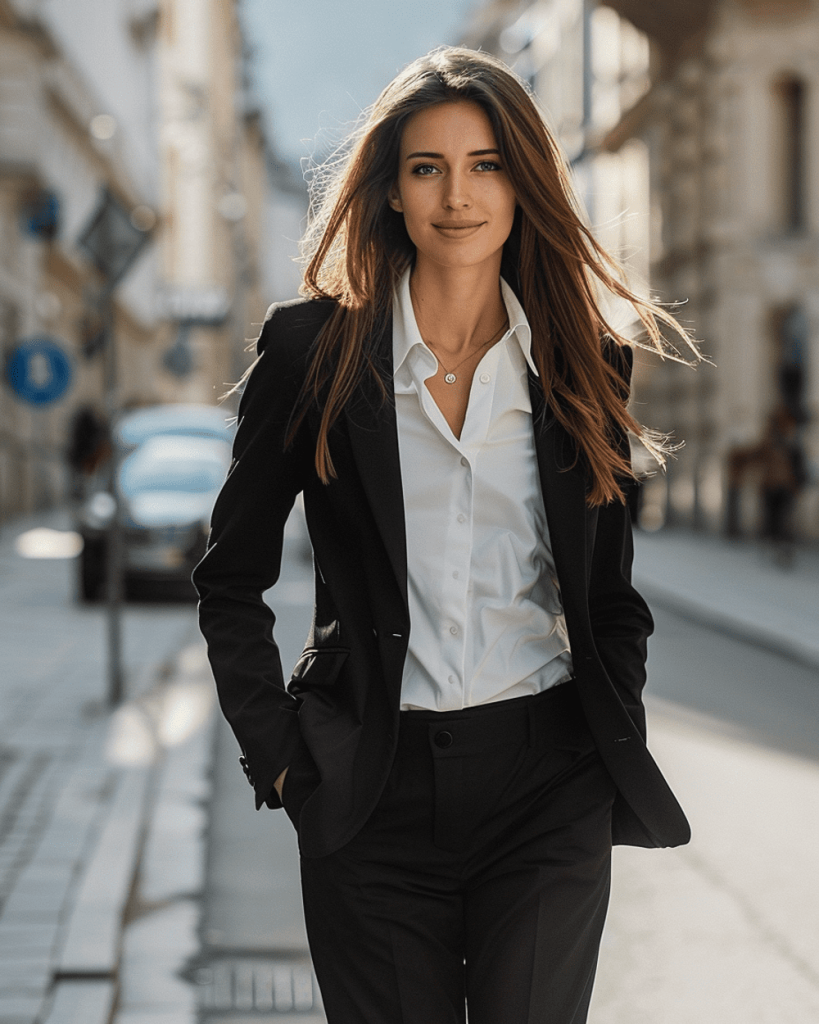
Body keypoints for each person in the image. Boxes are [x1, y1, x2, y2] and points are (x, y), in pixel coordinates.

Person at [194, 46, 695, 1024]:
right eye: (427, 167)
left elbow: (608, 598)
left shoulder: (586, 363)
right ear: (389, 191)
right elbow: (231, 579)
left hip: (546, 787)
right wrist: (287, 761)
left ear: (525, 184)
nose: (456, 195)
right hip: (369, 794)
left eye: (486, 164)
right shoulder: (313, 354)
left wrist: (601, 746)